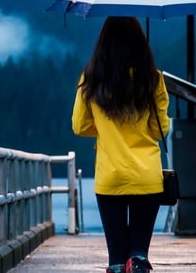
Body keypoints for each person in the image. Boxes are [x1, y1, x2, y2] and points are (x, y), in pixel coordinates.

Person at [71, 16, 170, 273]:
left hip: (110, 176)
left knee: (116, 259)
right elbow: (159, 130)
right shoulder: (153, 79)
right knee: (138, 255)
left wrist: (106, 130)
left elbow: (80, 126)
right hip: (147, 176)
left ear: (103, 43)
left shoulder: (91, 78)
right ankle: (137, 264)